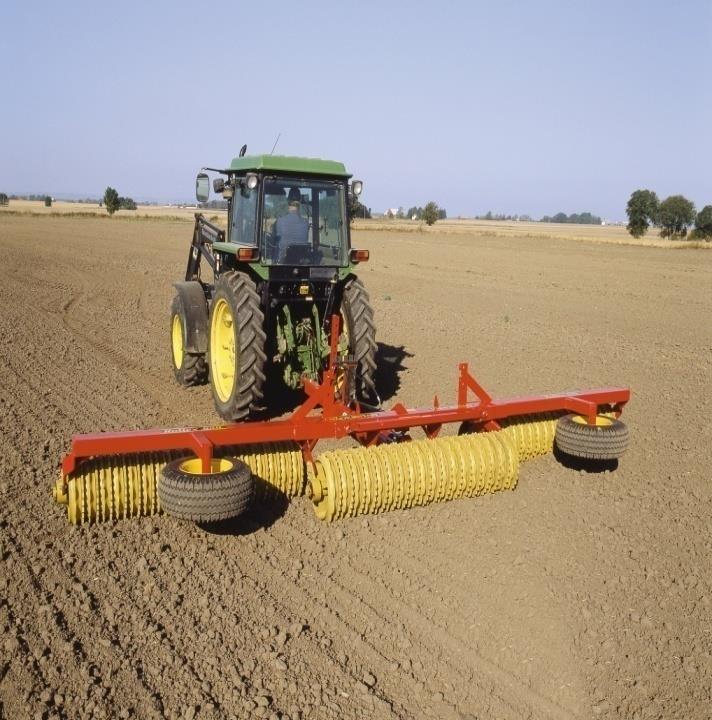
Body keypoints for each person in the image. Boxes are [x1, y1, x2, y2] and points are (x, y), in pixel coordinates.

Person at [274, 188, 309, 261]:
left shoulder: (280, 221)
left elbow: (275, 241)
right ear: (300, 201)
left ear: (288, 201)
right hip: (301, 262)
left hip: (283, 263)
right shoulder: (306, 223)